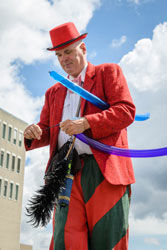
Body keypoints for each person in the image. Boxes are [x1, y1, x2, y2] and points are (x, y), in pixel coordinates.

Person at [24, 22, 136, 250]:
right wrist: (33, 133)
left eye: (68, 51)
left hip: (104, 170)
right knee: (67, 239)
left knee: (108, 240)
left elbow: (126, 111)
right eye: (58, 55)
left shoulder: (108, 72)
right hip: (65, 173)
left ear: (83, 49)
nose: (64, 58)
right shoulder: (53, 92)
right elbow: (46, 130)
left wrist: (86, 123)